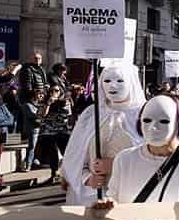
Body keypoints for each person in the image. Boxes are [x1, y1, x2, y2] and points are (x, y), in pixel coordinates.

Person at [61, 65, 146, 206]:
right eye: (107, 81)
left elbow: (156, 157)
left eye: (120, 81)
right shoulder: (91, 114)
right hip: (92, 197)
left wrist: (115, 165)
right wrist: (87, 178)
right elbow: (76, 156)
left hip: (130, 198)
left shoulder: (146, 115)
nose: (113, 85)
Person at [35, 85, 73, 186]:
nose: (54, 92)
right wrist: (48, 103)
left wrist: (58, 104)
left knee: (66, 152)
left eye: (56, 90)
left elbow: (67, 115)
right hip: (49, 131)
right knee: (52, 153)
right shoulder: (44, 102)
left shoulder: (65, 101)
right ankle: (54, 173)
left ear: (60, 92)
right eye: (51, 90)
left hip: (62, 131)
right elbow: (41, 115)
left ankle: (70, 173)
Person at [20, 88, 46, 172]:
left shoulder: (40, 105)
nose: (41, 96)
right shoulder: (27, 105)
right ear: (33, 95)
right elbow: (34, 116)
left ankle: (35, 162)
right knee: (31, 147)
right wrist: (42, 113)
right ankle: (28, 165)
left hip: (39, 129)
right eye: (39, 94)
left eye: (42, 94)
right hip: (32, 129)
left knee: (37, 147)